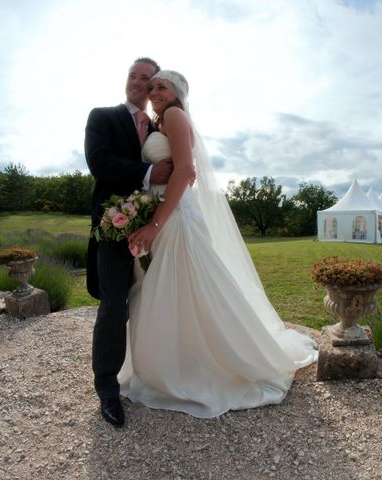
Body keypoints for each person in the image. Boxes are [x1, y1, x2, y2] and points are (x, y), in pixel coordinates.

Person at [122, 70, 318, 418]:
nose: (153, 91)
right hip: (166, 212)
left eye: (160, 86)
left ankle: (195, 365)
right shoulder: (161, 124)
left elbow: (184, 170)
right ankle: (180, 357)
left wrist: (154, 224)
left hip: (175, 217)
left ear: (177, 92)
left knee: (188, 285)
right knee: (175, 289)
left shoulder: (174, 115)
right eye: (151, 87)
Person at [85, 57, 174, 427]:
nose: (139, 82)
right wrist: (150, 170)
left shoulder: (161, 125)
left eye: (148, 78)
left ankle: (158, 372)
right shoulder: (103, 117)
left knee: (158, 300)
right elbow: (100, 162)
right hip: (114, 227)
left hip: (160, 228)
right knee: (113, 304)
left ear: (157, 88)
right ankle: (107, 388)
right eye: (134, 75)